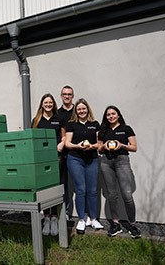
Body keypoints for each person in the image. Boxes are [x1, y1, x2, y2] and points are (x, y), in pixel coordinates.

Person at [98, 105, 141, 238]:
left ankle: (132, 224)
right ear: (106, 117)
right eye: (108, 114)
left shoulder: (126, 129)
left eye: (113, 114)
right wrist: (104, 147)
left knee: (127, 194)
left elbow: (134, 148)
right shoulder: (103, 130)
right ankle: (115, 224)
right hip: (106, 162)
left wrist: (122, 145)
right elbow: (99, 149)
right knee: (112, 194)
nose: (111, 116)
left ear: (118, 115)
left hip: (122, 160)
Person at [65, 98, 104, 234]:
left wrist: (92, 146)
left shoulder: (95, 124)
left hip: (92, 159)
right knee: (81, 189)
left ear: (88, 109)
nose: (81, 111)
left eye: (84, 108)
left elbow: (100, 144)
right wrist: (78, 146)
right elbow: (67, 143)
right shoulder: (71, 125)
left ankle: (93, 218)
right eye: (79, 109)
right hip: (75, 159)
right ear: (76, 111)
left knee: (93, 190)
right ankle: (81, 219)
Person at [32, 93, 65, 236]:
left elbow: (63, 136)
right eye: (46, 102)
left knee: (56, 187)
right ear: (42, 104)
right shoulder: (36, 120)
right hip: (42, 158)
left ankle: (55, 218)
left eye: (50, 102)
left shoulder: (59, 119)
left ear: (54, 104)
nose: (48, 104)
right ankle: (46, 218)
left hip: (56, 157)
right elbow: (32, 137)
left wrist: (62, 144)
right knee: (45, 187)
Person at [57, 85, 74, 221]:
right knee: (63, 183)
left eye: (69, 94)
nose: (67, 96)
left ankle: (84, 215)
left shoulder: (79, 110)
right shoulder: (58, 114)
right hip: (63, 154)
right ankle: (65, 211)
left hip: (78, 154)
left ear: (72, 96)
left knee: (80, 185)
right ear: (61, 96)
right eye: (64, 94)